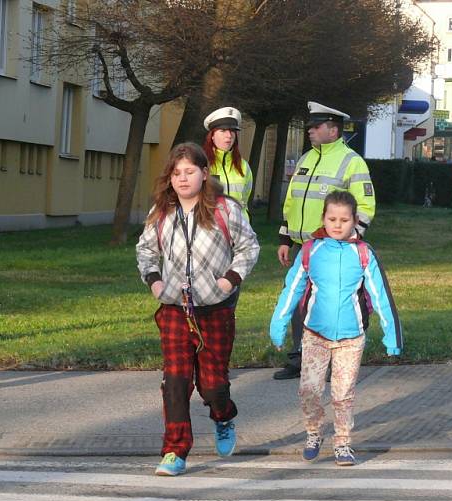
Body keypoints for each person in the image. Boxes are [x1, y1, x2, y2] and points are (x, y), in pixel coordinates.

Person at [136, 142, 259, 476]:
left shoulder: (225, 209)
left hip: (214, 310)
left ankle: (223, 416)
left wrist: (229, 281)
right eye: (177, 173)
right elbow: (145, 251)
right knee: (175, 381)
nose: (183, 179)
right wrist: (155, 282)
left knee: (212, 383)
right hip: (175, 308)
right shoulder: (161, 212)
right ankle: (175, 450)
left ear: (205, 174)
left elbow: (249, 247)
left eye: (190, 172)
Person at [270, 191, 401, 466]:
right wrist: (278, 324)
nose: (338, 225)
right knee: (309, 390)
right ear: (323, 219)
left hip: (351, 339)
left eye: (344, 219)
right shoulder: (310, 251)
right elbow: (292, 289)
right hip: (315, 335)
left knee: (343, 394)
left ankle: (342, 442)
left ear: (355, 221)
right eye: (332, 219)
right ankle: (313, 433)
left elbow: (380, 296)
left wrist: (392, 337)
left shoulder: (364, 253)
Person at [274, 102, 377, 380]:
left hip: (333, 248)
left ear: (333, 130)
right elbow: (292, 201)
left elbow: (365, 206)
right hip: (303, 246)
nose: (310, 131)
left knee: (329, 302)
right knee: (299, 300)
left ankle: (334, 360)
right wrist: (285, 237)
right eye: (310, 126)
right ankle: (300, 357)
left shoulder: (351, 161)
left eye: (315, 127)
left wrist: (349, 239)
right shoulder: (307, 158)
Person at [202, 107, 254, 221]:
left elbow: (244, 200)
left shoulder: (244, 166)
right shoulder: (201, 164)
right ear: (212, 135)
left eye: (232, 131)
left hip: (240, 232)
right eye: (223, 130)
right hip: (212, 231)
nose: (229, 136)